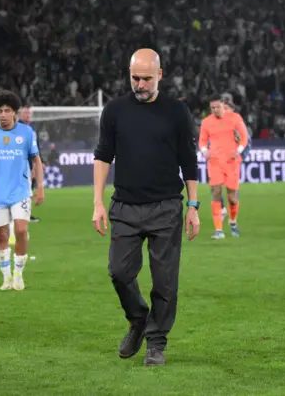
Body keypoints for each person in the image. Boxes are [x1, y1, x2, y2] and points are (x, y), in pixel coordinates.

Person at [91, 48, 200, 367]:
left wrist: (193, 205)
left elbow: (189, 160)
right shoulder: (114, 110)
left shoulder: (177, 112)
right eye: (135, 78)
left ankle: (156, 343)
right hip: (124, 206)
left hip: (166, 207)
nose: (139, 84)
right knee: (119, 271)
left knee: (165, 280)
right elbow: (102, 155)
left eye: (146, 79)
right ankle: (138, 318)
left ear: (160, 75)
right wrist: (97, 201)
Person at [0, 90, 45, 291]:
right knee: (2, 235)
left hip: (20, 191)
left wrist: (40, 188)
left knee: (21, 230)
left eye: (7, 111)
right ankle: (6, 277)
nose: (3, 115)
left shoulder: (26, 133)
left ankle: (19, 275)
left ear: (15, 113)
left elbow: (36, 160)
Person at [198, 95, 249, 239]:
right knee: (216, 192)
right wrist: (204, 151)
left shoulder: (235, 118)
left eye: (217, 107)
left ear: (223, 105)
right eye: (212, 108)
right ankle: (218, 230)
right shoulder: (206, 122)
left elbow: (244, 138)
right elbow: (202, 141)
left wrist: (237, 151)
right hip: (214, 162)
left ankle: (233, 222)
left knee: (232, 197)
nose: (215, 110)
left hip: (231, 162)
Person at [8, 106, 41, 246]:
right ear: (20, 115)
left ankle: (19, 225)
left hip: (27, 167)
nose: (28, 115)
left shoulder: (31, 130)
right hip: (17, 168)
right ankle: (16, 227)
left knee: (26, 194)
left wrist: (37, 165)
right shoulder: (17, 129)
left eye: (29, 113)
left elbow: (35, 151)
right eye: (25, 113)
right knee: (21, 195)